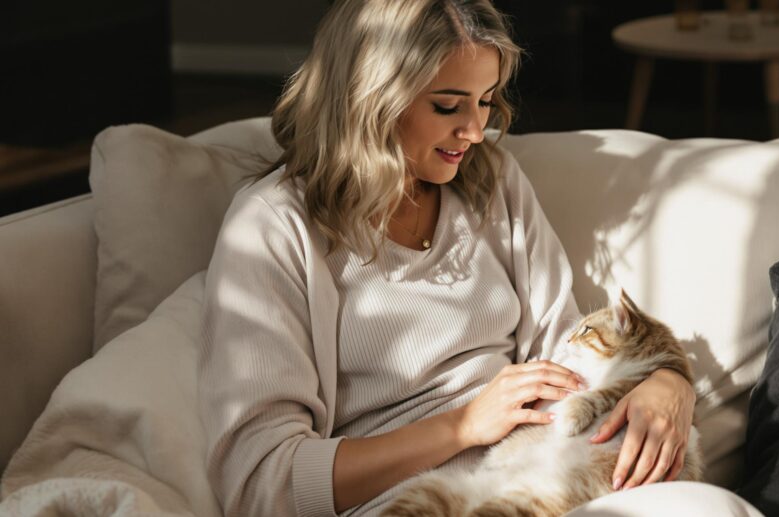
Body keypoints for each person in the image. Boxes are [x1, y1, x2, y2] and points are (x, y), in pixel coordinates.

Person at [197, 1, 704, 516]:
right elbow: (263, 483)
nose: (475, 130)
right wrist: (463, 425)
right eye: (448, 106)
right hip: (414, 503)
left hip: (545, 478)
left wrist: (669, 381)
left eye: (485, 101)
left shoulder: (493, 184)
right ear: (369, 98)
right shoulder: (273, 227)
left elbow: (565, 352)